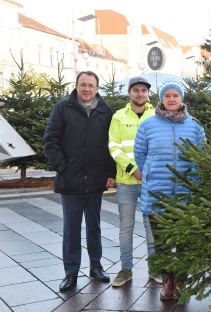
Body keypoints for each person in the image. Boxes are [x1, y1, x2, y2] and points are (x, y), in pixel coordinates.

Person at [43, 71, 116, 292]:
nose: (87, 89)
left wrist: (110, 173)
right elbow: (50, 139)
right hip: (71, 180)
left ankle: (96, 267)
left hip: (95, 180)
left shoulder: (105, 111)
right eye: (83, 84)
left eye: (91, 85)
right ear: (76, 85)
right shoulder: (63, 108)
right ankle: (71, 273)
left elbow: (112, 144)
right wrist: (62, 167)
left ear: (97, 88)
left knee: (94, 227)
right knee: (71, 230)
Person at [133, 78, 205, 301]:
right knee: (162, 242)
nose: (172, 99)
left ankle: (181, 280)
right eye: (167, 96)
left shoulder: (194, 126)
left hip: (186, 193)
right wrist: (151, 173)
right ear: (161, 99)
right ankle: (168, 281)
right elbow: (140, 154)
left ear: (181, 98)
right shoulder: (148, 125)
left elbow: (202, 156)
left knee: (185, 241)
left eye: (175, 95)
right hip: (158, 193)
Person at [108, 76, 162, 287]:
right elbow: (114, 147)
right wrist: (132, 169)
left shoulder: (157, 115)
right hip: (126, 181)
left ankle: (155, 268)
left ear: (148, 94)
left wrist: (147, 171)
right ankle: (125, 269)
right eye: (136, 90)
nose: (140, 94)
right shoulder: (118, 117)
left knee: (152, 227)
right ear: (129, 93)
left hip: (151, 181)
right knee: (126, 226)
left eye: (144, 90)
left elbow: (159, 145)